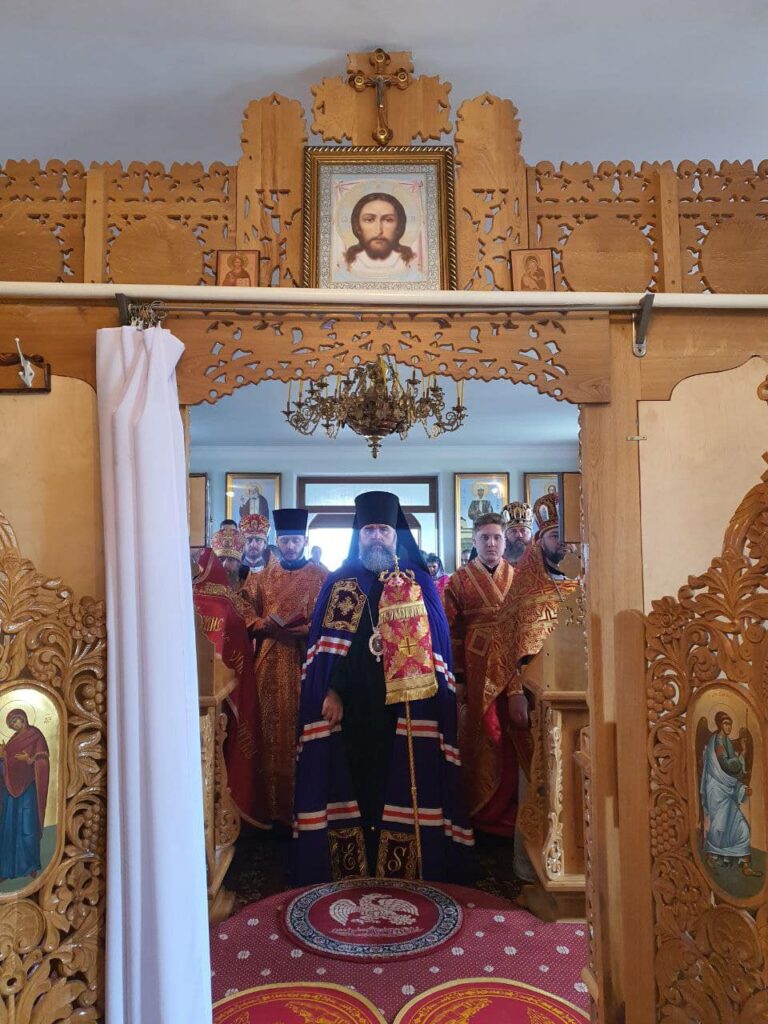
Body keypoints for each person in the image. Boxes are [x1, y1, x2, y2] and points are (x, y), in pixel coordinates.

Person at [292, 490, 472, 883]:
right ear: (359, 535)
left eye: (383, 530)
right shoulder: (339, 583)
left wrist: (427, 695)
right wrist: (333, 691)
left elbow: (437, 648)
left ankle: (404, 865)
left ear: (395, 535)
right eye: (370, 529)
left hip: (406, 708)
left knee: (398, 778)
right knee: (356, 778)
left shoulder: (418, 582)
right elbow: (328, 651)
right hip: (352, 708)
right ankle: (353, 864)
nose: (376, 536)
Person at [493, 492, 581, 879]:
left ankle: (578, 862)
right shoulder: (525, 590)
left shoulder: (588, 586)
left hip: (581, 701)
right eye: (554, 536)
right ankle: (530, 867)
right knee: (537, 782)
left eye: (567, 536)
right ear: (539, 541)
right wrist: (514, 694)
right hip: (536, 702)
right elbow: (507, 645)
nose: (562, 544)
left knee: (577, 780)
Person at [243, 509, 328, 828]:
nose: (290, 546)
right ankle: (268, 811)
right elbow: (244, 609)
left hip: (304, 663)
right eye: (285, 541)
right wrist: (260, 623)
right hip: (267, 664)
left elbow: (329, 620)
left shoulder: (322, 576)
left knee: (301, 733)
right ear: (276, 542)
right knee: (267, 734)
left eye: (295, 541)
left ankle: (302, 809)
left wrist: (307, 629)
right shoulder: (261, 576)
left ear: (305, 540)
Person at [443, 512, 517, 836]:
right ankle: (479, 809)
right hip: (474, 668)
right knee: (479, 731)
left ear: (505, 541)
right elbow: (451, 632)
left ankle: (507, 808)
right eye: (484, 538)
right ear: (474, 540)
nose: (491, 544)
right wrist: (458, 676)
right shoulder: (458, 580)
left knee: (509, 733)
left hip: (511, 668)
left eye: (496, 537)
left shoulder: (516, 577)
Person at [193, 548, 267, 826]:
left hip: (200, 692)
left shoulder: (222, 598)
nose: (227, 565)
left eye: (233, 559)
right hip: (220, 692)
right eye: (223, 560)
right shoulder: (226, 600)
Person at [700, 712, 761, 877]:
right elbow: (727, 766)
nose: (729, 727)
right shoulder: (718, 742)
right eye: (726, 724)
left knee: (742, 828)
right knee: (719, 828)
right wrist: (743, 753)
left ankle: (746, 866)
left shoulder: (726, 741)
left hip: (726, 789)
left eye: (730, 724)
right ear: (720, 725)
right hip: (717, 791)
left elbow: (731, 774)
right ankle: (711, 857)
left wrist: (741, 788)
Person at [0, 710, 49, 880]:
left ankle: (30, 866)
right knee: (8, 827)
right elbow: (6, 762)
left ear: (23, 719)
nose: (14, 725)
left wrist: (30, 760)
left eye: (15, 721)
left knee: (28, 826)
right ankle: (6, 869)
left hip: (28, 788)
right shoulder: (13, 739)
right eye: (11, 724)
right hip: (10, 790)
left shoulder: (35, 735)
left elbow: (43, 758)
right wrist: (3, 756)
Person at [338, 193, 422, 281]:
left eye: (388, 220)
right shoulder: (346, 267)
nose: (378, 231)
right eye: (369, 220)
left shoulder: (411, 267)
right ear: (357, 226)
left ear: (399, 226)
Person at [502, 500, 534, 566]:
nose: (519, 535)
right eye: (513, 531)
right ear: (505, 535)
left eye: (523, 531)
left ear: (531, 534)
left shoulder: (542, 558)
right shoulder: (496, 559)